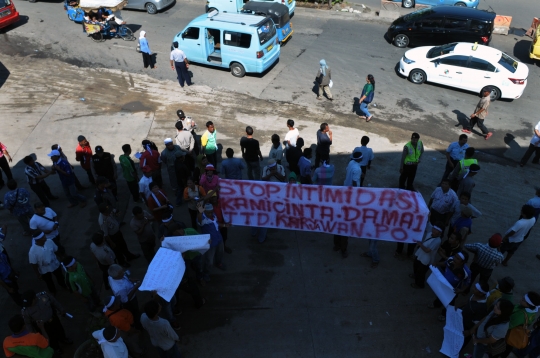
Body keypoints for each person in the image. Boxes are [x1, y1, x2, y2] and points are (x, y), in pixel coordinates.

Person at [21, 290, 72, 354]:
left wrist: (61, 309)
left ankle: (63, 339)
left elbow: (54, 302)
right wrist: (32, 333)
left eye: (30, 303)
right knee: (50, 338)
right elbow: (28, 323)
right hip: (43, 326)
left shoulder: (44, 296)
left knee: (60, 330)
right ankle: (56, 348)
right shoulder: (25, 310)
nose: (28, 305)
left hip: (53, 319)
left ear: (34, 298)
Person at [429, 251, 472, 319]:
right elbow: (445, 263)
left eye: (457, 258)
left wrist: (461, 290)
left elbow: (467, 283)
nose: (454, 259)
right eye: (455, 256)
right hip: (443, 284)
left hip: (452, 290)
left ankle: (444, 314)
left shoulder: (466, 272)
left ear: (462, 262)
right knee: (439, 295)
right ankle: (436, 304)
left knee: (450, 303)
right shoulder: (450, 260)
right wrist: (437, 263)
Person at [500, 292, 540, 358]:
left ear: (528, 305)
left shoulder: (521, 315)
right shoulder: (533, 310)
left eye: (523, 300)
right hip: (516, 333)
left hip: (510, 333)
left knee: (507, 346)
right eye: (523, 297)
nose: (521, 299)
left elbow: (510, 325)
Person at [197, 202, 227, 281]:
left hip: (219, 238)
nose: (210, 214)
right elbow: (199, 220)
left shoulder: (214, 215)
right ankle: (206, 273)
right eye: (208, 212)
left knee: (220, 252)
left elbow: (216, 223)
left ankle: (219, 263)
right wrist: (200, 213)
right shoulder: (202, 218)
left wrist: (224, 225)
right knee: (209, 260)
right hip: (210, 242)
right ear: (204, 211)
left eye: (211, 212)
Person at [458, 282, 489, 352]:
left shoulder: (482, 308)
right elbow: (468, 302)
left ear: (481, 293)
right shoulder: (474, 295)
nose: (473, 289)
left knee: (461, 342)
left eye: (475, 289)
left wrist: (469, 332)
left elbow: (478, 323)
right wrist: (458, 306)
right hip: (462, 321)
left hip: (467, 327)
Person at [410, 223, 443, 289]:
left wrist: (420, 244)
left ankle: (419, 284)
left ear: (440, 233)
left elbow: (428, 250)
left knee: (421, 272)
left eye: (436, 230)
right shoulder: (430, 231)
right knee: (416, 265)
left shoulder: (437, 241)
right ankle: (415, 275)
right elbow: (427, 222)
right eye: (434, 228)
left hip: (427, 258)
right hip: (420, 254)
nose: (434, 230)